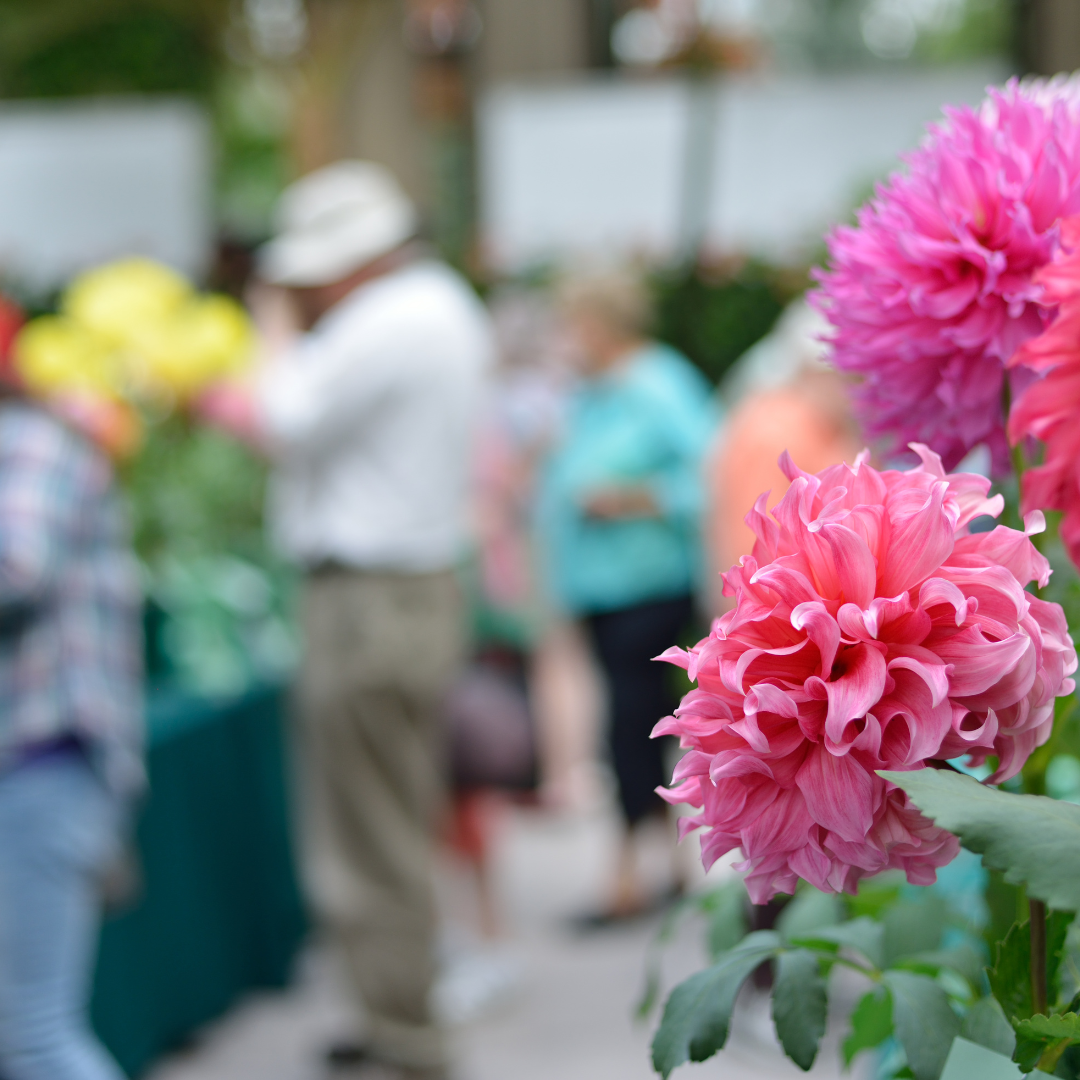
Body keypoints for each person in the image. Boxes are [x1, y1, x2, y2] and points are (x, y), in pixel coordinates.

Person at [252, 161, 493, 1079]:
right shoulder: (434, 306)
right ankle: (392, 1008)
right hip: (400, 588)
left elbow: (286, 415)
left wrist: (272, 331)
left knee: (372, 828)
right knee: (383, 816)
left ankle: (405, 1029)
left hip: (371, 595)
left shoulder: (391, 317)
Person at [536, 269, 716, 922]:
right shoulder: (592, 394)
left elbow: (709, 475)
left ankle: (626, 873)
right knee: (635, 727)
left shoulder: (659, 384)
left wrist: (636, 499)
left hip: (649, 584)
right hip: (603, 590)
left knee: (633, 727)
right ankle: (658, 865)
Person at [0, 355, 144, 1079]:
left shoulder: (31, 444)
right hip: (28, 762)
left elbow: (17, 568)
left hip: (43, 761)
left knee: (33, 1037)